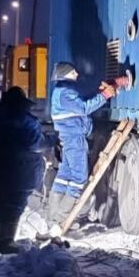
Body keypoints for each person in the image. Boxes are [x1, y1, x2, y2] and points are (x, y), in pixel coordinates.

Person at [44, 61, 115, 237]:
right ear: (65, 74)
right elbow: (84, 107)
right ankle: (62, 217)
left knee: (64, 176)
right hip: (74, 139)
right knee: (79, 178)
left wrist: (100, 92)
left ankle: (53, 218)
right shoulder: (66, 93)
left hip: (70, 139)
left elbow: (81, 101)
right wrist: (105, 95)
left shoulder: (63, 92)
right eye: (73, 72)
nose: (76, 73)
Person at [0, 87, 49, 252]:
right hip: (19, 169)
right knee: (15, 203)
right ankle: (7, 242)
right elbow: (35, 144)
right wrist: (51, 141)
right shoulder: (25, 121)